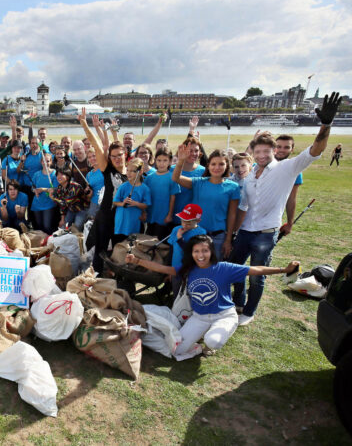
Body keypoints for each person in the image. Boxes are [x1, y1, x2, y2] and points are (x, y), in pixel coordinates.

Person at [230, 92, 341, 326]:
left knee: (257, 276)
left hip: (265, 234)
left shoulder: (287, 168)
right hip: (245, 232)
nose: (261, 155)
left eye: (265, 152)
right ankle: (237, 303)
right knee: (236, 271)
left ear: (273, 151)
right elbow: (243, 207)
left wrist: (326, 125)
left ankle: (249, 312)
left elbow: (315, 150)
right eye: (257, 152)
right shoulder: (249, 176)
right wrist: (233, 233)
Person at [128, 235, 299, 356]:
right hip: (199, 316)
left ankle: (214, 336)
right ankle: (201, 336)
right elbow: (164, 269)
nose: (201, 255)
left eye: (205, 251)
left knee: (214, 341)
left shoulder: (224, 268)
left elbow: (256, 270)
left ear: (211, 252)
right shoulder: (189, 269)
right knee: (177, 350)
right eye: (196, 251)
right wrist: (137, 261)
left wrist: (284, 269)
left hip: (223, 314)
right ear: (191, 254)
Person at [78, 108, 128, 273]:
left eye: (119, 155)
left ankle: (120, 277)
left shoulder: (131, 172)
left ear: (125, 155)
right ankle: (97, 277)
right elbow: (98, 147)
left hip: (123, 219)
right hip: (106, 216)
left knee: (121, 249)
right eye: (113, 156)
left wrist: (114, 134)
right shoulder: (108, 170)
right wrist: (85, 124)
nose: (117, 159)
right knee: (100, 249)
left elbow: (119, 147)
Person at [173, 147, 239, 260]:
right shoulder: (199, 182)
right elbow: (176, 178)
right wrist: (181, 161)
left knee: (214, 267)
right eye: (213, 164)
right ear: (208, 165)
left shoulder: (233, 187)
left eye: (221, 164)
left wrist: (228, 240)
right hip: (196, 233)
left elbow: (232, 215)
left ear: (227, 165)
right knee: (192, 265)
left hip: (218, 236)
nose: (217, 167)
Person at [112, 158, 151, 243]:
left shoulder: (145, 189)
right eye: (127, 170)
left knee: (131, 247)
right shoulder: (123, 186)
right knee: (118, 245)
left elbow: (146, 204)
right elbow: (115, 201)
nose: (128, 173)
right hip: (121, 223)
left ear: (140, 172)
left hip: (134, 223)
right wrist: (123, 203)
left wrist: (136, 203)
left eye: (132, 171)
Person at [144, 149, 180, 240]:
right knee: (148, 239)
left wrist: (169, 215)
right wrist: (143, 212)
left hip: (164, 216)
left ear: (170, 161)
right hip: (151, 214)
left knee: (160, 241)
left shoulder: (172, 177)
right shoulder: (149, 177)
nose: (162, 163)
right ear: (155, 160)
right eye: (159, 160)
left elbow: (173, 197)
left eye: (165, 160)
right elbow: (145, 196)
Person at [171, 132, 206, 222]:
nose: (194, 154)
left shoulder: (204, 171)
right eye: (190, 150)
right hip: (173, 218)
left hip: (193, 220)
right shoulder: (172, 170)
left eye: (196, 151)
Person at [274, 134, 303, 238]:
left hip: (272, 222)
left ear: (292, 150)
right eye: (278, 146)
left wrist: (290, 223)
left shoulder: (295, 170)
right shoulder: (259, 165)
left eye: (286, 147)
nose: (281, 150)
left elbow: (291, 198)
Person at [30, 152, 59, 234]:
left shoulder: (54, 173)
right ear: (41, 162)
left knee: (47, 226)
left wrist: (43, 189)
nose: (46, 163)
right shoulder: (36, 174)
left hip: (49, 204)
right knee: (39, 226)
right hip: (37, 203)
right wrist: (34, 190)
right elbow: (32, 187)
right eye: (44, 161)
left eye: (48, 161)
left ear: (51, 162)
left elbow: (55, 188)